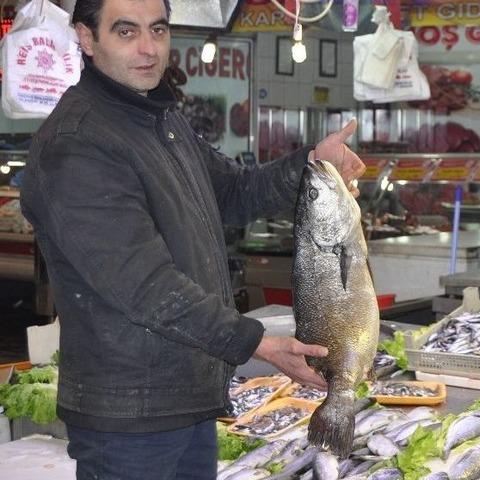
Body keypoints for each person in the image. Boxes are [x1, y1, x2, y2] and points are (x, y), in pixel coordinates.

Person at [20, 0, 365, 478]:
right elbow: (145, 287)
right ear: (85, 38)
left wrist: (313, 163)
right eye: (125, 32)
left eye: (157, 30)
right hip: (130, 422)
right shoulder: (77, 144)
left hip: (188, 403)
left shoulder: (159, 122)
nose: (147, 48)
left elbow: (236, 191)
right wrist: (255, 342)